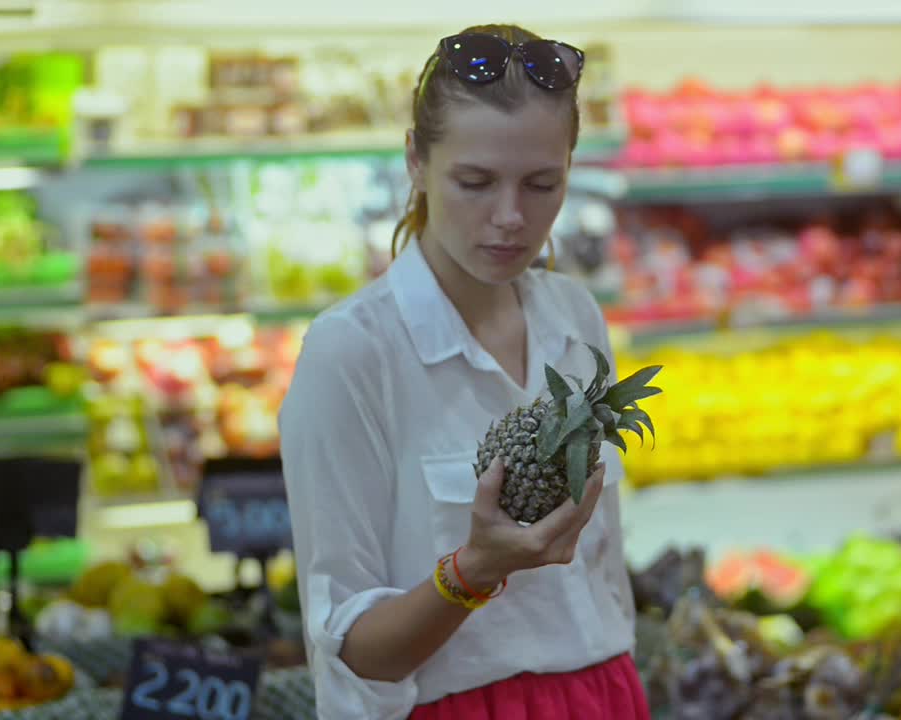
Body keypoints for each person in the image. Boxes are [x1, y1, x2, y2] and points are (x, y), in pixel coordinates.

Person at [278, 23, 650, 720]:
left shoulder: (576, 319)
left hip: (602, 693)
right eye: (474, 182)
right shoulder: (352, 353)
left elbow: (604, 580)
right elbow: (352, 649)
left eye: (543, 184)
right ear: (416, 160)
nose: (510, 218)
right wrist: (472, 571)